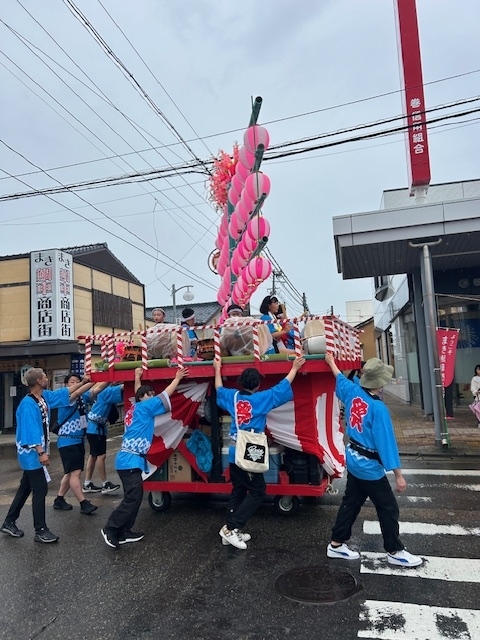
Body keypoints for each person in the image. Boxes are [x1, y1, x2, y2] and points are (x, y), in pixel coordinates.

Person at [324, 353, 422, 567]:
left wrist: (331, 362)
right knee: (388, 507)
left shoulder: (353, 391)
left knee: (351, 502)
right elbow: (386, 443)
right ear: (381, 382)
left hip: (353, 459)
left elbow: (339, 378)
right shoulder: (378, 408)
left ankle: (336, 543)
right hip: (368, 467)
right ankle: (394, 550)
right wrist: (398, 475)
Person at [214, 356, 306, 549]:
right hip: (250, 451)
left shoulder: (233, 397)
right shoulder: (260, 399)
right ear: (257, 385)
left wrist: (217, 369)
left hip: (234, 450)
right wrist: (294, 368)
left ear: (241, 382)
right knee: (258, 491)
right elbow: (281, 387)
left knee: (239, 489)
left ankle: (231, 530)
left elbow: (219, 389)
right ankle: (231, 528)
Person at [101, 365, 189, 549]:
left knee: (135, 496)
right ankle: (111, 528)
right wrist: (178, 378)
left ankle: (124, 531)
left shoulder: (136, 407)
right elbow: (164, 395)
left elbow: (139, 393)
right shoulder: (145, 407)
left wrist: (137, 377)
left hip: (128, 460)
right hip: (130, 460)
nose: (152, 396)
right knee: (133, 497)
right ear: (143, 397)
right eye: (149, 394)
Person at [0, 368, 91, 543]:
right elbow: (31, 429)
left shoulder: (43, 397)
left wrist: (83, 383)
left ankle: (9, 521)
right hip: (31, 453)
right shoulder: (28, 403)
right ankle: (40, 530)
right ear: (38, 381)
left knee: (25, 488)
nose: (47, 378)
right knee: (40, 489)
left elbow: (63, 393)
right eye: (44, 376)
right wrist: (41, 452)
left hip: (36, 451)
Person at [53, 374, 109, 514]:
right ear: (66, 385)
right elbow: (77, 392)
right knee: (75, 473)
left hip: (78, 440)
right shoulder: (66, 397)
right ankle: (83, 503)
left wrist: (108, 379)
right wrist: (90, 380)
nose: (76, 384)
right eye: (72, 382)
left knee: (70, 473)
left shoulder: (82, 397)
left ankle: (59, 499)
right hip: (67, 440)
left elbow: (97, 390)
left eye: (78, 381)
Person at [83, 384, 123, 494]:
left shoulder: (99, 392)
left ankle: (87, 483)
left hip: (92, 428)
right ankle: (105, 484)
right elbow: (122, 388)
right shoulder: (106, 391)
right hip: (96, 429)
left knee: (93, 456)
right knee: (101, 456)